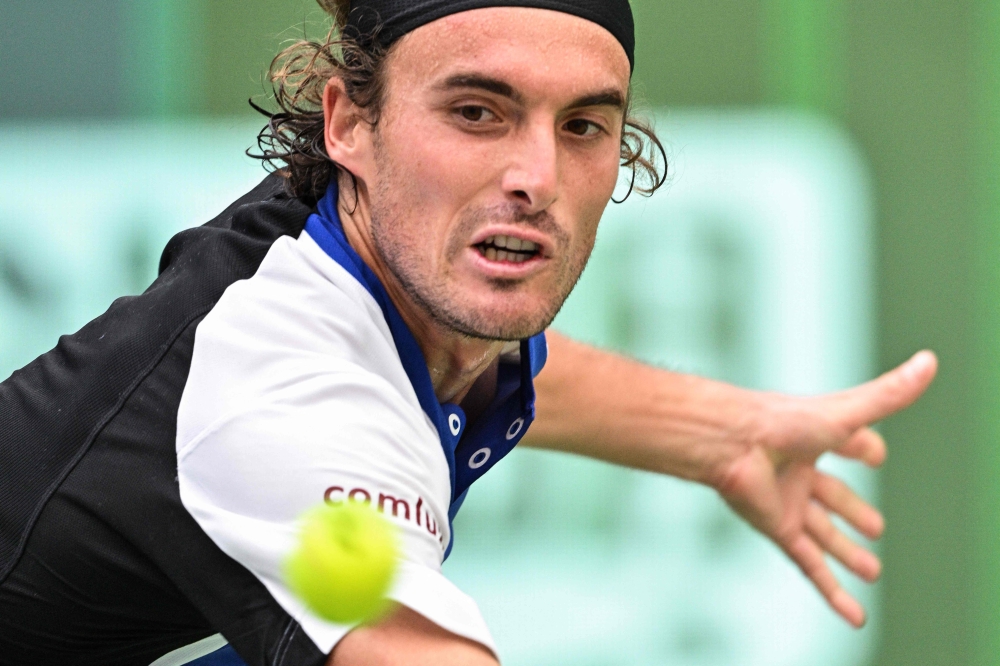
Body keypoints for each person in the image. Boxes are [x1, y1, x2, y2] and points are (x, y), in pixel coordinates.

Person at [0, 1, 937, 665]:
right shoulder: (283, 395)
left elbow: (493, 361)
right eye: (476, 112)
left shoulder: (369, 259)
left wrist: (719, 434)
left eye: (582, 125)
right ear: (348, 123)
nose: (536, 173)